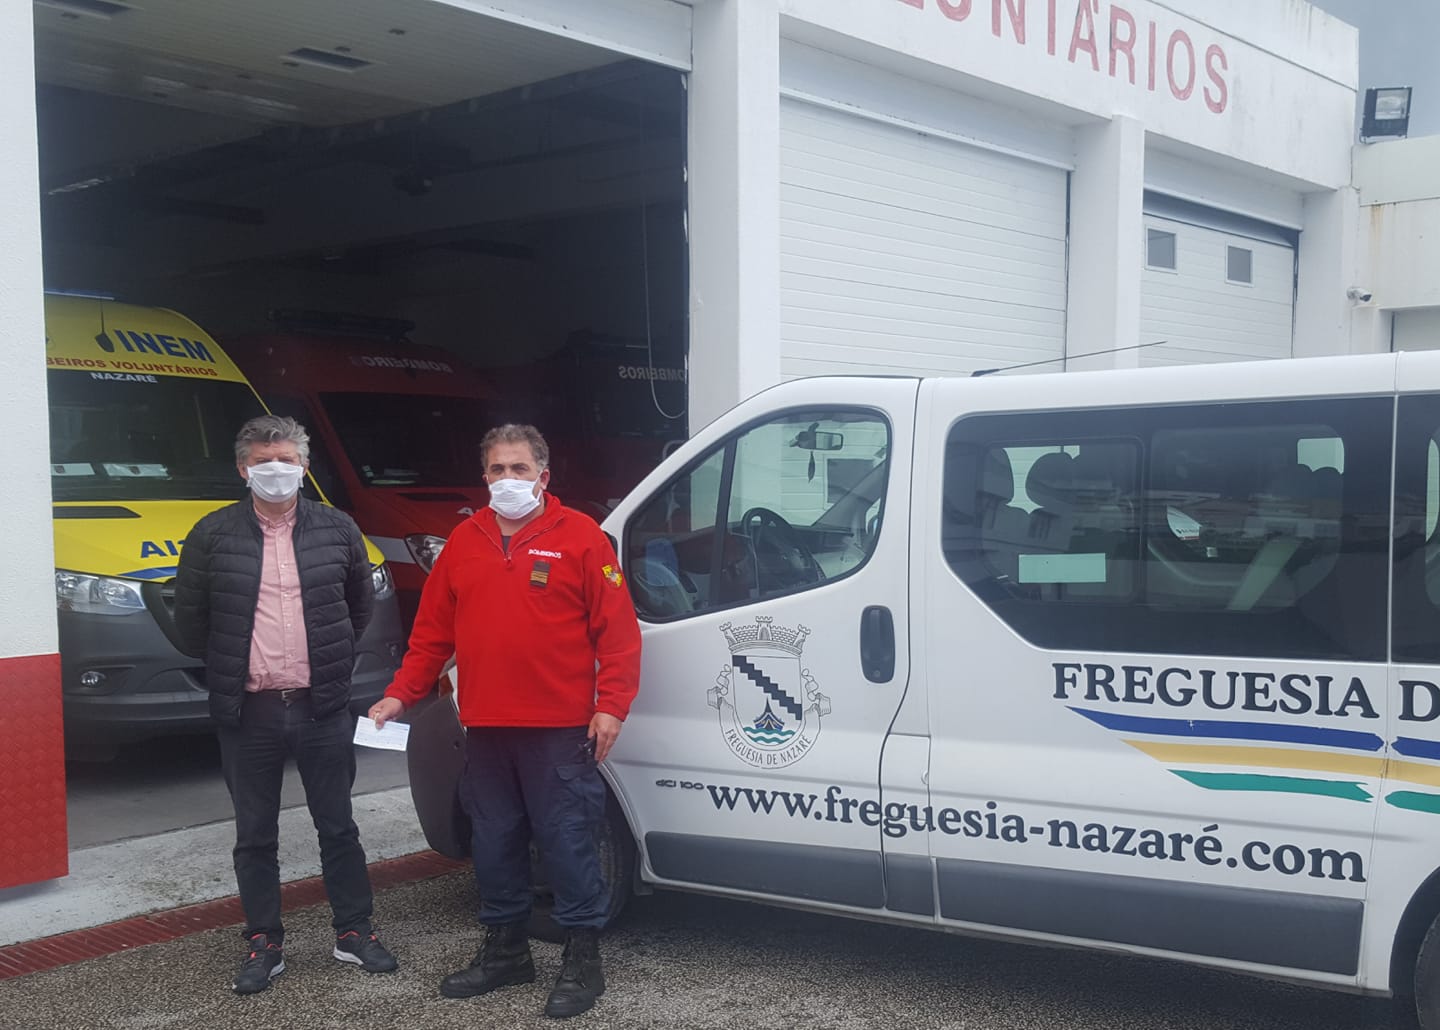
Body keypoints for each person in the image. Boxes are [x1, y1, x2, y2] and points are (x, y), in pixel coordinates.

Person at [369, 423, 641, 1019]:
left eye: (520, 469)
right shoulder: (464, 542)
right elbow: (432, 634)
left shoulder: (582, 538)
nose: (508, 479)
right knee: (493, 842)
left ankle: (582, 959)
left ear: (544, 476)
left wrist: (611, 705)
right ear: (484, 476)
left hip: (559, 730)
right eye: (497, 469)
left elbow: (618, 634)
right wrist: (400, 695)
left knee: (567, 842)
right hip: (486, 730)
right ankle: (506, 951)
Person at [174, 414, 397, 995]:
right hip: (250, 710)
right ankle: (263, 941)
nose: (275, 470)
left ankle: (354, 931)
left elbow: (358, 608)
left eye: (286, 460)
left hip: (322, 706)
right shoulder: (211, 534)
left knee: (338, 826)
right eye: (263, 462)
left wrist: (326, 665)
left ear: (304, 466)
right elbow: (190, 622)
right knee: (254, 834)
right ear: (242, 469)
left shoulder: (338, 528)